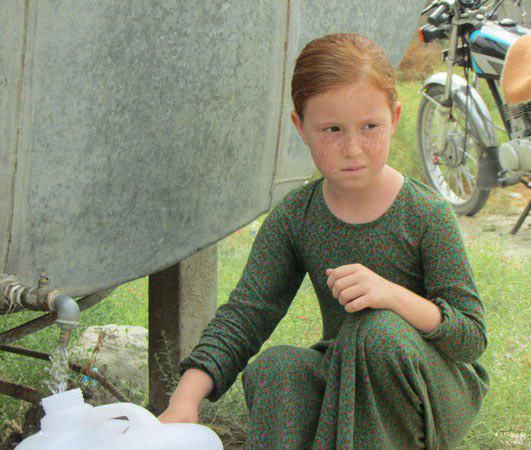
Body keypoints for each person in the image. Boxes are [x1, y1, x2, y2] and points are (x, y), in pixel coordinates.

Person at [159, 33, 490, 449]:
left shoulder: (425, 213)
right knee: (278, 367)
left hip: (432, 388)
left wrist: (392, 297)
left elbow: (470, 337)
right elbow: (245, 315)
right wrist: (185, 400)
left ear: (394, 117)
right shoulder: (297, 217)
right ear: (300, 127)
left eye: (370, 127)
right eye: (332, 129)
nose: (353, 148)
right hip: (345, 373)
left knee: (377, 331)